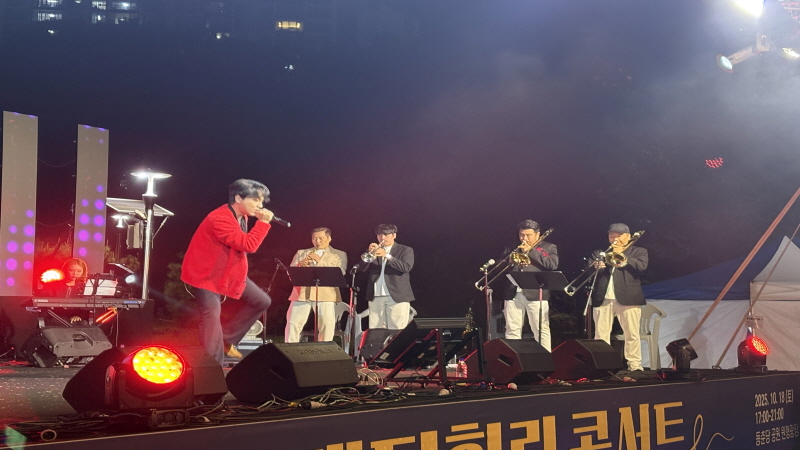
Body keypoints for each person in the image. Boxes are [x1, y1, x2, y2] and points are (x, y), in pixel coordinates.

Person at [181, 179, 275, 364]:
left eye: (261, 201)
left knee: (261, 301)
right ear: (238, 198)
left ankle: (226, 339)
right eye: (255, 200)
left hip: (227, 272)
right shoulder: (219, 218)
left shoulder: (242, 217)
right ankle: (212, 365)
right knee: (211, 318)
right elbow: (248, 245)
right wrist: (263, 223)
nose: (260, 205)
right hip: (205, 275)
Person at [591, 223, 648, 372]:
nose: (615, 239)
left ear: (628, 237)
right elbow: (589, 272)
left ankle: (634, 364)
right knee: (601, 334)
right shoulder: (601, 253)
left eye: (619, 235)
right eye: (611, 235)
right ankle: (603, 365)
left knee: (631, 333)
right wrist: (596, 267)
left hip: (628, 297)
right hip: (603, 297)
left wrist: (624, 257)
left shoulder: (638, 251)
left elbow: (642, 266)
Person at [502, 219, 558, 351]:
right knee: (512, 329)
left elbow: (552, 265)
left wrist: (531, 250)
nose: (524, 238)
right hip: (513, 292)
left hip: (536, 293)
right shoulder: (512, 247)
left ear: (537, 234)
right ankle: (514, 358)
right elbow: (501, 265)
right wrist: (508, 261)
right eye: (521, 235)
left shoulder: (549, 247)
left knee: (540, 329)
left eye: (528, 235)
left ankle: (545, 358)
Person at [284, 227, 348, 343]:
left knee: (326, 324)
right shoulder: (301, 253)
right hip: (302, 292)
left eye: (320, 238)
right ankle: (289, 347)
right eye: (314, 238)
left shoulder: (338, 254)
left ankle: (324, 349)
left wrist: (320, 261)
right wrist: (300, 265)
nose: (317, 241)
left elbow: (341, 272)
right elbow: (290, 273)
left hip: (326, 293)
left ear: (329, 238)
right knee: (293, 322)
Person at [359, 224, 414, 329]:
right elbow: (362, 268)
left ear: (394, 235)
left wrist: (387, 256)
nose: (382, 238)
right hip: (376, 296)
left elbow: (406, 267)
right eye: (379, 235)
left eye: (386, 235)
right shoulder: (375, 250)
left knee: (396, 329)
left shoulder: (405, 250)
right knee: (375, 330)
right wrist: (369, 252)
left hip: (396, 296)